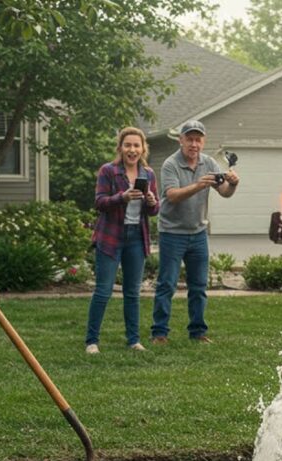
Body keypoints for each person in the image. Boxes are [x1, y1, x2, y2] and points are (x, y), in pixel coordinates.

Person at [151, 120, 239, 345]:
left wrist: (233, 183)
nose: (194, 144)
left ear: (203, 142)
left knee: (199, 285)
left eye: (198, 139)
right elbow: (172, 196)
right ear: (181, 140)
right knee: (167, 284)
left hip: (198, 232)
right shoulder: (171, 164)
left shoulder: (209, 162)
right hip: (172, 232)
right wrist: (199, 185)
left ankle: (198, 332)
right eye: (189, 139)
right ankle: (159, 333)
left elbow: (225, 192)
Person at [86, 127, 159, 353]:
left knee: (132, 292)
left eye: (136, 145)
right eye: (128, 145)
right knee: (103, 290)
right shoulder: (108, 171)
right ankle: (92, 341)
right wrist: (123, 197)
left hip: (136, 238)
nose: (132, 149)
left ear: (142, 148)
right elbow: (99, 202)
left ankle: (133, 340)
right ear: (120, 148)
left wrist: (150, 200)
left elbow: (155, 210)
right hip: (111, 236)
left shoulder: (148, 174)